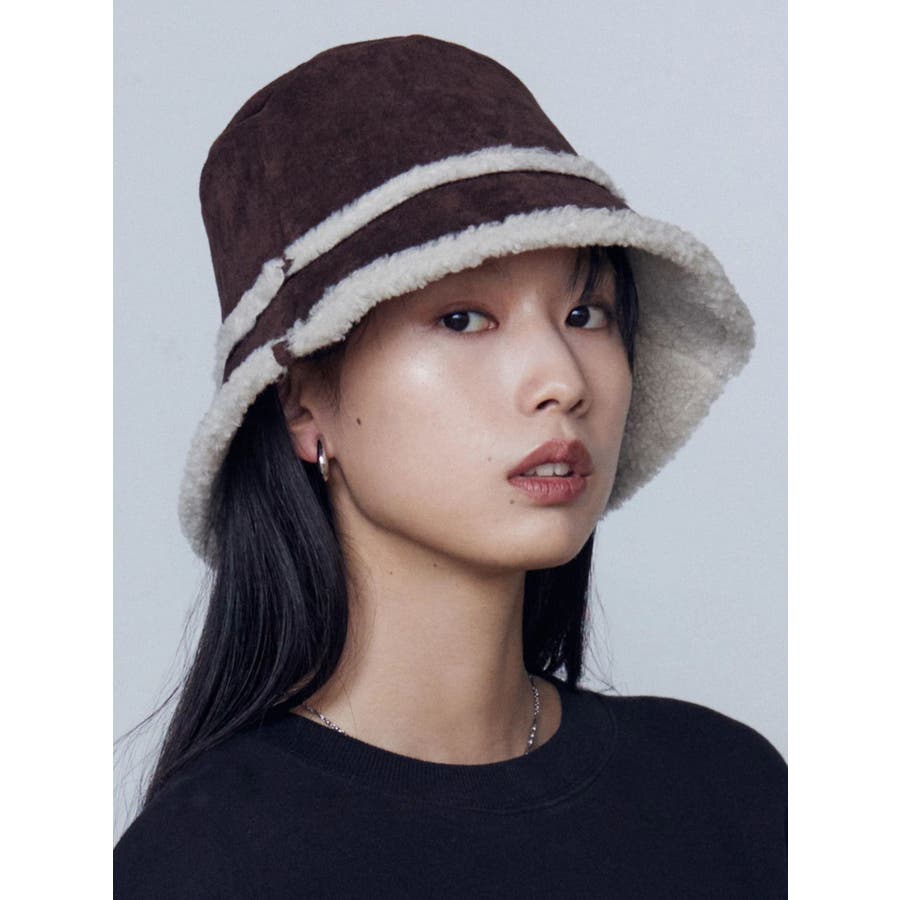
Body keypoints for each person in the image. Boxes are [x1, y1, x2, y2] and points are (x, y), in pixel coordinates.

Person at [114, 34, 786, 897]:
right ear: (302, 404)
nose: (562, 380)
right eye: (464, 318)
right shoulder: (207, 863)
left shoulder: (729, 792)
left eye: (586, 313)